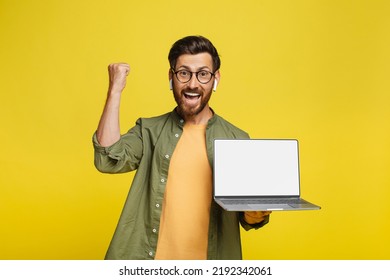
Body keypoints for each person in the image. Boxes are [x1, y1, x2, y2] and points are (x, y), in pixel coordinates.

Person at [93, 35, 271, 260]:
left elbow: (250, 217)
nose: (193, 84)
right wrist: (115, 90)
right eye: (184, 73)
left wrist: (256, 213)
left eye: (203, 74)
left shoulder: (237, 140)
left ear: (216, 79)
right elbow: (108, 159)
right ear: (171, 77)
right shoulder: (149, 131)